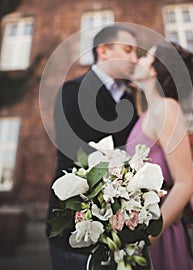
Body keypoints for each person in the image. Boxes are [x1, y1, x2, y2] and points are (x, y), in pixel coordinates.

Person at [46, 25, 139, 270]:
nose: (135, 59)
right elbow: (80, 156)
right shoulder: (74, 91)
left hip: (120, 233)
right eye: (128, 50)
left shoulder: (129, 98)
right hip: (77, 229)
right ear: (104, 51)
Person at [126, 43, 193, 270]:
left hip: (159, 235)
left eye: (145, 57)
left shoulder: (167, 108)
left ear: (156, 70)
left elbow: (185, 182)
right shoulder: (147, 113)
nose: (137, 60)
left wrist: (147, 239)